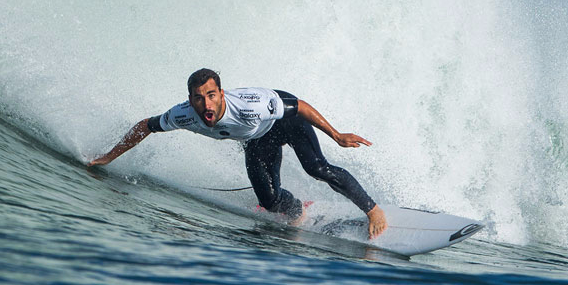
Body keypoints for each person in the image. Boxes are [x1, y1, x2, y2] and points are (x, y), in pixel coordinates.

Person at [89, 68, 387, 238]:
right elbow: (146, 126)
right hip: (258, 140)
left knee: (317, 168)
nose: (206, 104)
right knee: (269, 201)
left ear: (221, 93)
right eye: (198, 98)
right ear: (190, 99)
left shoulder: (249, 105)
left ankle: (372, 209)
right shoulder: (183, 115)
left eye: (211, 95)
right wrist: (109, 156)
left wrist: (336, 135)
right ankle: (298, 211)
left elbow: (299, 105)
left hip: (286, 123)